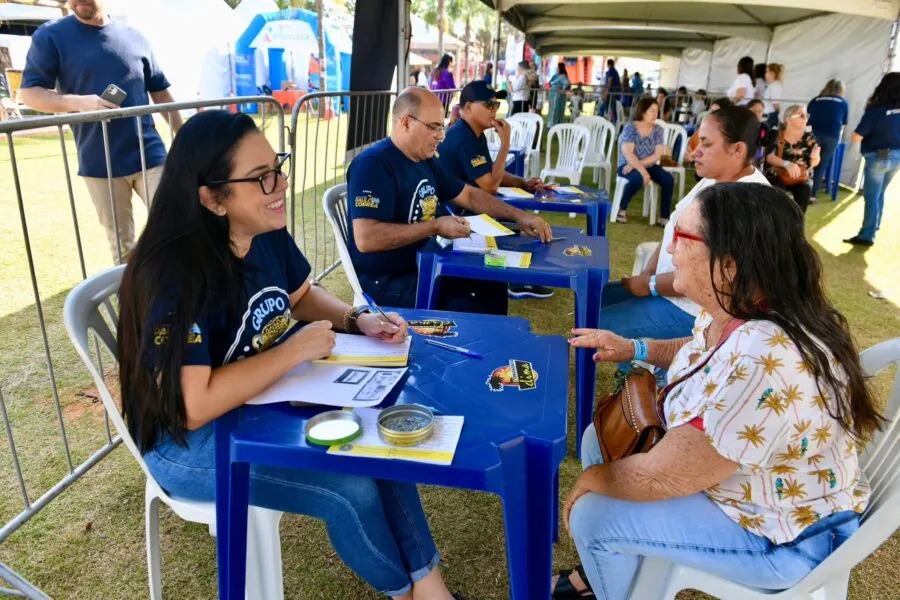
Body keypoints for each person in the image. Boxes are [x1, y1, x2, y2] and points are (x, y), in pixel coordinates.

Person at [117, 110, 470, 600]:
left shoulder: (263, 230)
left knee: (376, 436)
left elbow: (300, 296)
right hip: (183, 442)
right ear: (213, 198)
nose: (280, 184)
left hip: (254, 405)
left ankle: (431, 589)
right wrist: (292, 352)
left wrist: (355, 319)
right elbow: (193, 406)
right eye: (261, 177)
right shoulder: (172, 273)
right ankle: (405, 593)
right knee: (348, 490)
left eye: (277, 167)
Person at [554, 182, 882, 600]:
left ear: (728, 265)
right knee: (598, 438)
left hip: (785, 536)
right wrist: (635, 348)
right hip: (750, 492)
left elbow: (661, 477)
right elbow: (699, 351)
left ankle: (615, 574)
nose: (669, 248)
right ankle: (615, 571)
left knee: (594, 516)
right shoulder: (741, 306)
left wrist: (589, 481)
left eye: (682, 236)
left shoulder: (764, 358)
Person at [346, 87, 551, 313]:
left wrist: (520, 216)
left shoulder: (422, 160)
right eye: (433, 127)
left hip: (425, 265)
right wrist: (434, 226)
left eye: (441, 127)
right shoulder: (373, 164)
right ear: (405, 122)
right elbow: (367, 238)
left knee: (493, 283)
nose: (441, 135)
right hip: (386, 283)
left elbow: (469, 195)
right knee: (473, 301)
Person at [20, 0, 183, 264]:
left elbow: (161, 93)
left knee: (177, 226)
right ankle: (134, 291)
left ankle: (175, 285)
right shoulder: (50, 36)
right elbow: (29, 94)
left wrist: (185, 136)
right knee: (122, 246)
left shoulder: (135, 37)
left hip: (150, 155)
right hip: (98, 162)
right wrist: (79, 103)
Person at [598, 105, 769, 343]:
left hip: (697, 312)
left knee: (596, 321)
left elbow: (712, 278)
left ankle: (644, 360)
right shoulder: (714, 179)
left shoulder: (748, 200)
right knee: (593, 301)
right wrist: (648, 274)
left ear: (737, 149)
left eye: (706, 144)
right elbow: (674, 225)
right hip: (667, 289)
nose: (695, 152)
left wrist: (651, 285)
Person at [437, 81, 554, 301]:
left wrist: (522, 182)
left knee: (515, 222)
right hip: (453, 215)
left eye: (497, 104)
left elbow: (488, 172)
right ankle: (511, 280)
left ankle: (511, 278)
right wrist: (505, 142)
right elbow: (490, 185)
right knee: (511, 227)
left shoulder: (474, 133)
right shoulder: (463, 136)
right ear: (468, 107)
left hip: (465, 208)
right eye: (489, 104)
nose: (494, 110)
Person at [844, 72, 900, 247]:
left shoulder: (876, 111)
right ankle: (873, 228)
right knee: (879, 194)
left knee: (871, 196)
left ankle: (867, 235)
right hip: (897, 156)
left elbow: (857, 135)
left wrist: (856, 152)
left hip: (879, 156)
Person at [614, 97, 675, 225]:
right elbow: (628, 154)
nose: (655, 114)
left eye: (657, 111)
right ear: (642, 111)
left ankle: (664, 217)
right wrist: (642, 171)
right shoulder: (630, 128)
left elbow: (657, 155)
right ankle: (621, 209)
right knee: (638, 179)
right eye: (652, 111)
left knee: (668, 180)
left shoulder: (658, 130)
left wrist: (639, 167)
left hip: (646, 165)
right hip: (626, 165)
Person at [764, 105, 820, 214]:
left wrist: (815, 157)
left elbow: (814, 163)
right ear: (788, 120)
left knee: (805, 191)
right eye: (801, 115)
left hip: (800, 178)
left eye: (806, 115)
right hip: (777, 176)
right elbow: (769, 157)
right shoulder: (776, 134)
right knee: (778, 193)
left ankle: (798, 221)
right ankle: (778, 220)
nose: (805, 118)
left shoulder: (809, 137)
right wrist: (787, 164)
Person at [807, 79, 849, 198]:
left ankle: (802, 189)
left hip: (813, 134)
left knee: (807, 162)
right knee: (821, 165)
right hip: (832, 137)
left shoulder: (815, 100)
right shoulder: (843, 102)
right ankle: (812, 195)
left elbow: (807, 118)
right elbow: (843, 125)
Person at [548, 62, 570, 127]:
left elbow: (567, 84)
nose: (557, 69)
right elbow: (550, 82)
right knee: (551, 109)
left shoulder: (563, 76)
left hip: (558, 96)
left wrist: (562, 90)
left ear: (560, 68)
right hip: (552, 95)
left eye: (558, 68)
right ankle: (550, 124)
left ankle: (556, 124)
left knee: (556, 109)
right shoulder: (555, 75)